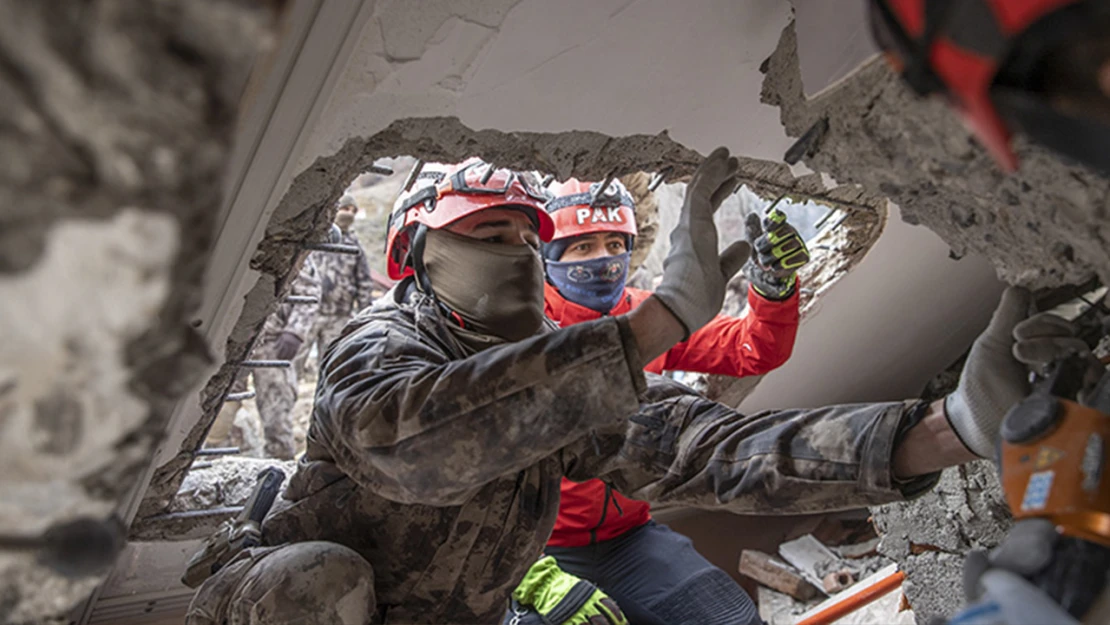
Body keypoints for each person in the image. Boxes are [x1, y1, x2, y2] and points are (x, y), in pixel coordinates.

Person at [185, 149, 1080, 625]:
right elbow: (411, 447)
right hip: (281, 602)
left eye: (522, 238)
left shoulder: (560, 377)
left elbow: (703, 446)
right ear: (414, 255)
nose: (516, 253)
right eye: (484, 234)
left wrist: (948, 427)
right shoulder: (380, 342)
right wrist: (651, 327)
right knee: (316, 580)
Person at [537, 177, 809, 624]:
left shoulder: (651, 318)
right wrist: (529, 576)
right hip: (536, 551)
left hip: (629, 536)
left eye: (612, 243)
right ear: (548, 257)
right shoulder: (521, 336)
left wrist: (772, 290)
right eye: (581, 247)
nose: (603, 259)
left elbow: (750, 348)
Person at [296, 195, 375, 375]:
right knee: (293, 364)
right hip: (308, 313)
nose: (349, 214)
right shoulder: (317, 238)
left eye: (353, 211)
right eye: (345, 208)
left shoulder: (355, 246)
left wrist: (364, 315)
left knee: (332, 367)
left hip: (339, 316)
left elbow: (364, 282)